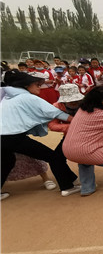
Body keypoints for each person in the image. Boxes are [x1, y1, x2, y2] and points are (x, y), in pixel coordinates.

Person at [1, 70, 81, 199]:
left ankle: (72, 178)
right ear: (26, 86)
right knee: (53, 157)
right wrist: (79, 121)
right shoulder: (27, 97)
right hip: (12, 137)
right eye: (37, 84)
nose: (40, 87)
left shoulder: (7, 97)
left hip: (4, 137)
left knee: (7, 161)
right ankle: (67, 187)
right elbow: (55, 113)